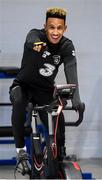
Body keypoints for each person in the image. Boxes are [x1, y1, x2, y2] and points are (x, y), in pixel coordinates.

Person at [9, 7, 84, 176]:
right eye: (51, 27)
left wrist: (76, 100)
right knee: (19, 101)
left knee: (57, 112)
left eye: (59, 28)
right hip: (23, 86)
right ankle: (21, 153)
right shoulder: (35, 35)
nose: (55, 32)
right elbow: (30, 40)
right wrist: (38, 46)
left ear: (65, 29)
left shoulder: (67, 45)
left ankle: (61, 153)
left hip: (44, 90)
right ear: (45, 26)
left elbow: (71, 71)